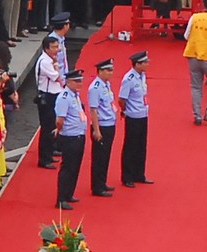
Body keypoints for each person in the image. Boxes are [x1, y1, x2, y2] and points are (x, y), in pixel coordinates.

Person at [54, 69, 87, 210]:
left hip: (79, 135)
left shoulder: (75, 95)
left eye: (81, 81)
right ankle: (61, 198)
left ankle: (68, 194)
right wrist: (60, 130)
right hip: (70, 137)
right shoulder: (64, 97)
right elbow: (59, 120)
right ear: (68, 82)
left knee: (75, 167)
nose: (80, 83)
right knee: (68, 168)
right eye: (76, 81)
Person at [119, 51, 152, 187]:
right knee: (130, 146)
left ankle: (139, 174)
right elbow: (122, 99)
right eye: (145, 62)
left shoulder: (142, 76)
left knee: (141, 146)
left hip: (143, 114)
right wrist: (126, 111)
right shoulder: (129, 79)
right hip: (133, 116)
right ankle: (127, 176)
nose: (148, 64)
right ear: (137, 64)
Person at [88, 58, 116, 198]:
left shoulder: (106, 85)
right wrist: (96, 130)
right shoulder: (95, 88)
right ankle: (97, 186)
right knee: (99, 157)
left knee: (106, 156)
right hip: (102, 126)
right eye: (108, 70)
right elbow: (93, 110)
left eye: (111, 70)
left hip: (110, 123)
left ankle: (102, 182)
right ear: (100, 71)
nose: (111, 73)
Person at [35, 36, 64, 169]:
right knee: (46, 127)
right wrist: (56, 64)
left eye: (57, 46)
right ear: (47, 48)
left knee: (52, 125)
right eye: (54, 47)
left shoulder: (49, 59)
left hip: (53, 94)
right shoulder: (45, 62)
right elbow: (56, 76)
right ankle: (44, 159)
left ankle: (51, 151)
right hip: (47, 97)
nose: (57, 49)